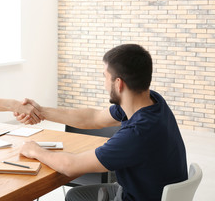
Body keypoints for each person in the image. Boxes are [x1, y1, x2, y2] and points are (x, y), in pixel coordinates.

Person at [16, 44, 188, 201]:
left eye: (105, 77)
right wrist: (41, 112)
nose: (104, 83)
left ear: (118, 83)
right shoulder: (151, 101)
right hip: (144, 191)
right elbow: (93, 118)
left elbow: (70, 166)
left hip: (137, 197)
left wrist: (35, 150)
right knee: (76, 195)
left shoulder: (137, 134)